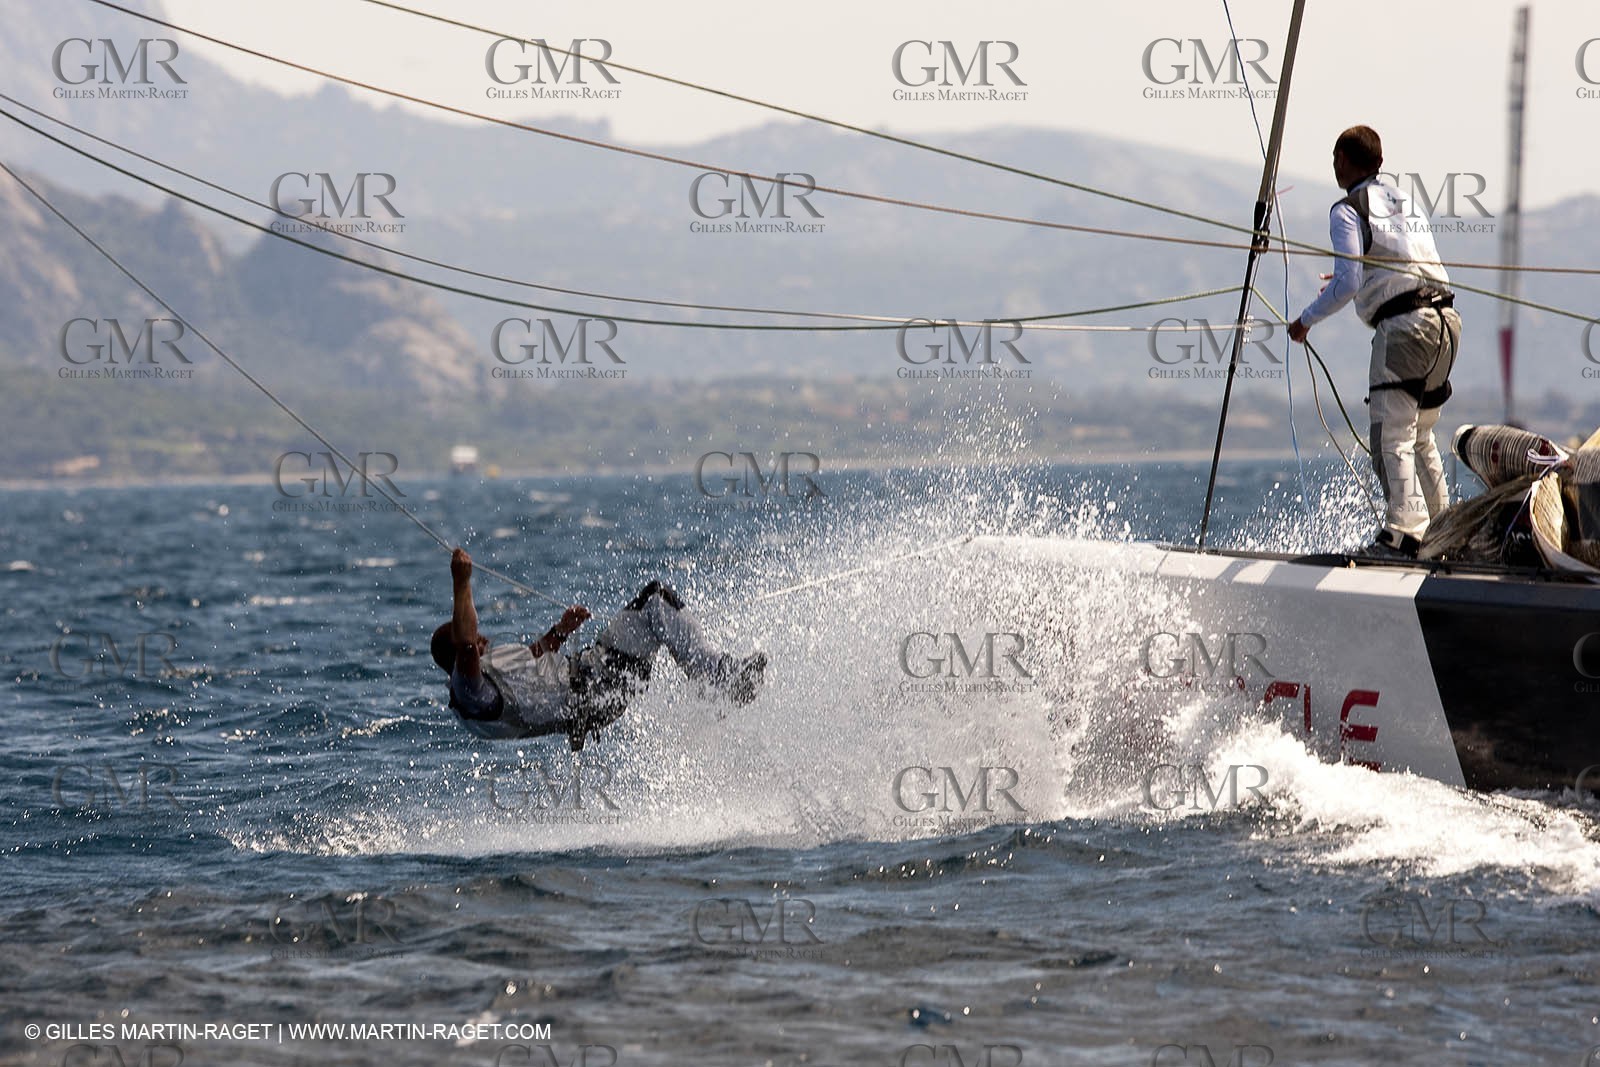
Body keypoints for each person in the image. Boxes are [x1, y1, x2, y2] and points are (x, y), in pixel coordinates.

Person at [1287, 125, 1462, 558]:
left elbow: (1347, 283)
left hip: (1405, 328)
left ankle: (1404, 534)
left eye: (1335, 158)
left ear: (1346, 161)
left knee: (1391, 436)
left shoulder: (1347, 209)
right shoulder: (1407, 201)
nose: (1333, 166)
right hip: (1447, 323)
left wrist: (1306, 320)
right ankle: (1448, 533)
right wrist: (1361, 276)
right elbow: (1402, 260)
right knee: (1421, 435)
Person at [431, 547, 767, 750]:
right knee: (655, 601)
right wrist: (461, 583)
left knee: (651, 604)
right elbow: (466, 646)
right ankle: (718, 679)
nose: (483, 640)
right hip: (598, 687)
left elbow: (529, 662)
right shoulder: (470, 694)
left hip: (594, 675)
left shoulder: (487, 680)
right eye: (477, 638)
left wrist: (560, 632)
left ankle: (714, 682)